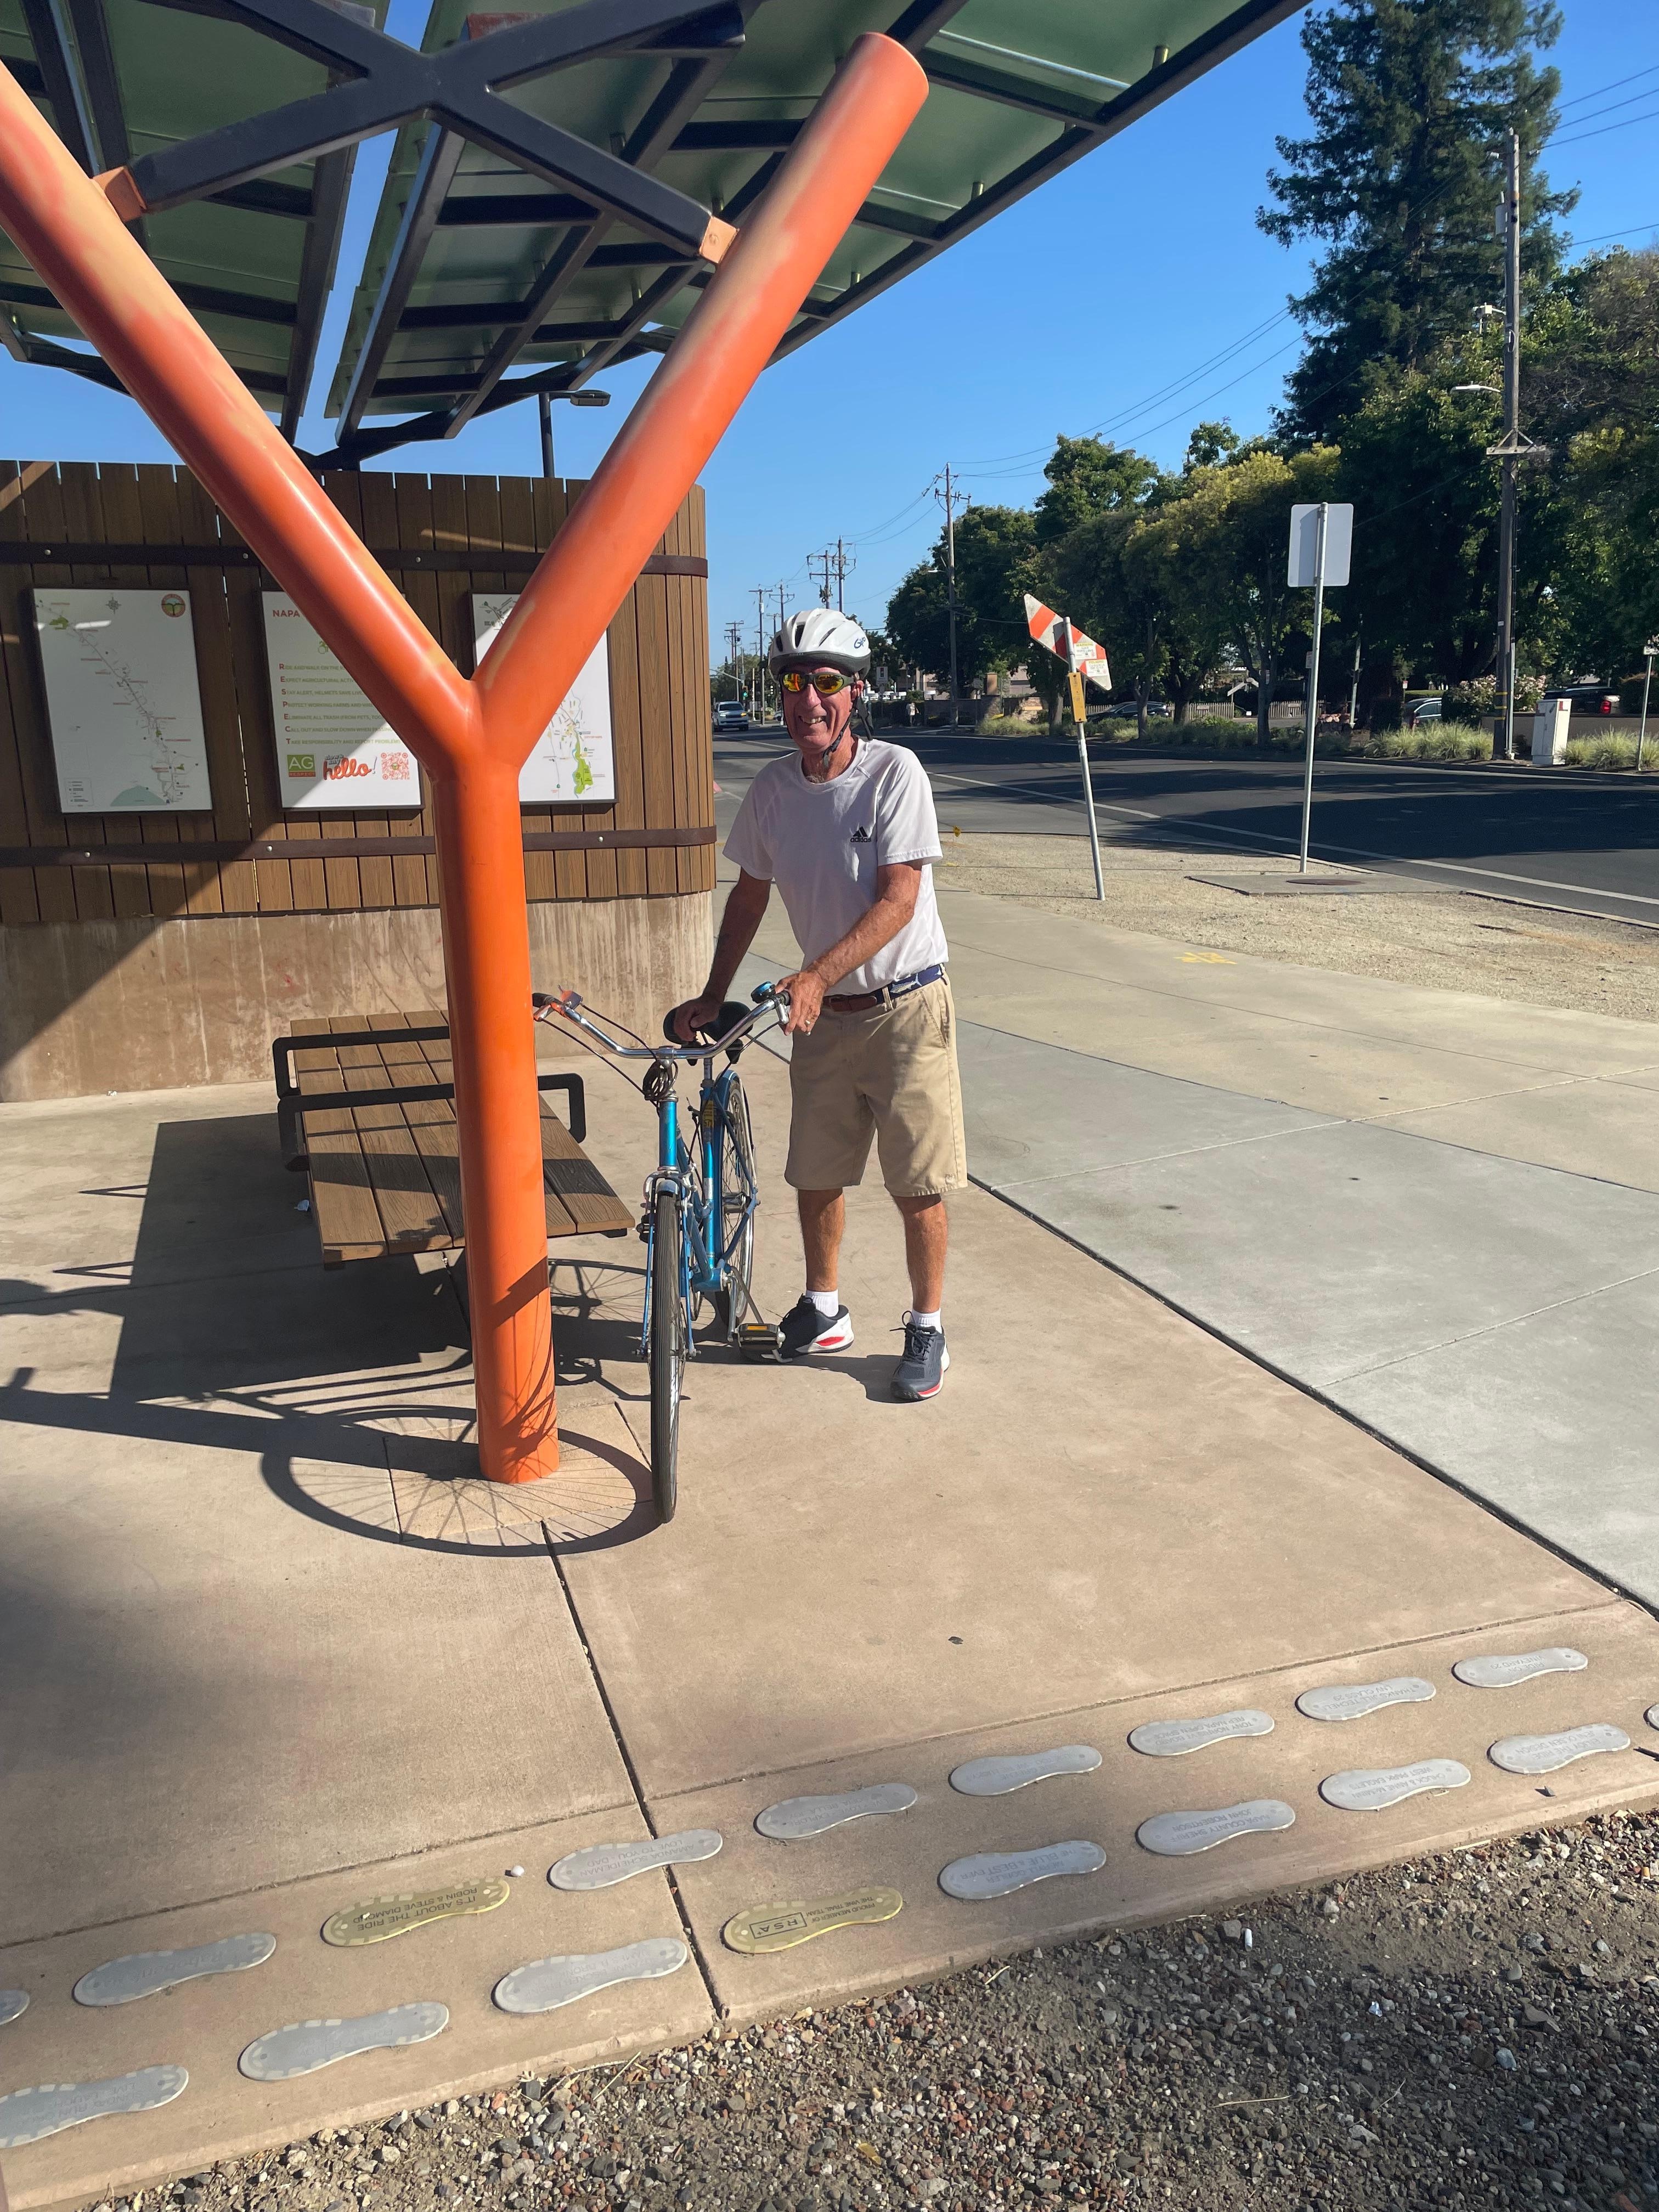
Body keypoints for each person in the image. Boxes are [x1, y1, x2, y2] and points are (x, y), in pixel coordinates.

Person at [670, 607, 964, 1401]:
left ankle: (928, 1325)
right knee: (818, 1174)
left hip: (904, 1008)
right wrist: (712, 992)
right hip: (824, 1017)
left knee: (917, 1182)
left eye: (827, 682)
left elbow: (901, 898)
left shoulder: (894, 773)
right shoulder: (772, 790)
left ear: (854, 692)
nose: (810, 699)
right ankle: (825, 1307)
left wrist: (815, 973)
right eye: (794, 681)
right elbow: (749, 897)